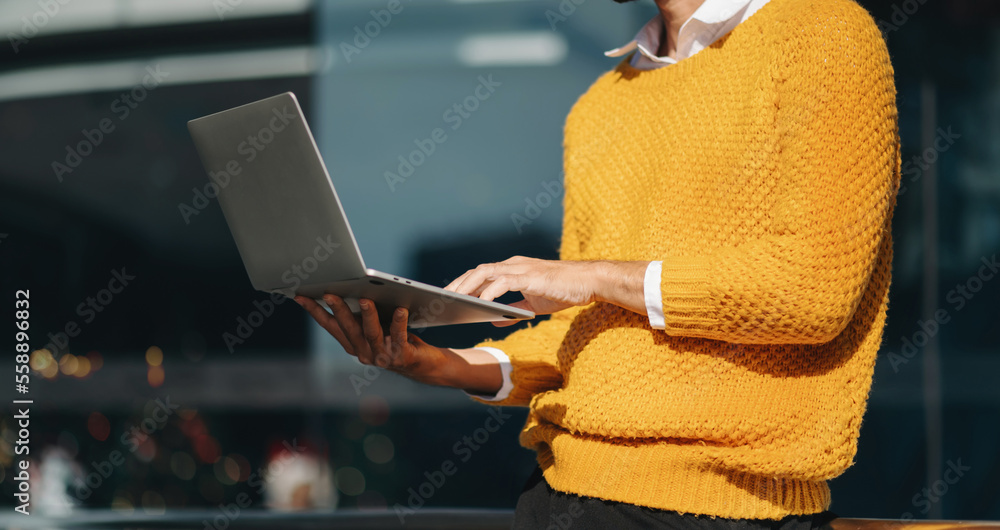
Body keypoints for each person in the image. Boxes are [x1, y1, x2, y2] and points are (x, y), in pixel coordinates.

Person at [296, 0, 900, 526]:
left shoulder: (825, 32)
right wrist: (444, 365)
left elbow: (813, 290)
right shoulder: (600, 104)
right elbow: (585, 327)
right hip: (558, 494)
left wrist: (590, 275)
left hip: (723, 514)